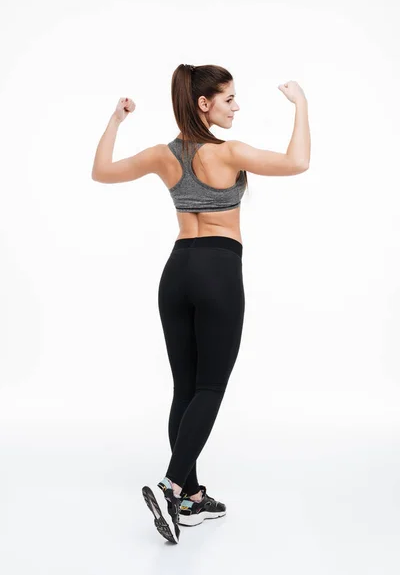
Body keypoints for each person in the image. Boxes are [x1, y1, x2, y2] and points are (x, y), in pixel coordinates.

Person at [91, 63, 311, 544]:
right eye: (229, 99)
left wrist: (116, 119)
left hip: (176, 272)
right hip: (217, 270)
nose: (236, 106)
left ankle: (190, 497)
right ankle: (172, 486)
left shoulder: (161, 155)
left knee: (185, 389)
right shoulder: (229, 152)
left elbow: (100, 172)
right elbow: (297, 162)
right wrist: (301, 104)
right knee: (210, 387)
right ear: (204, 104)